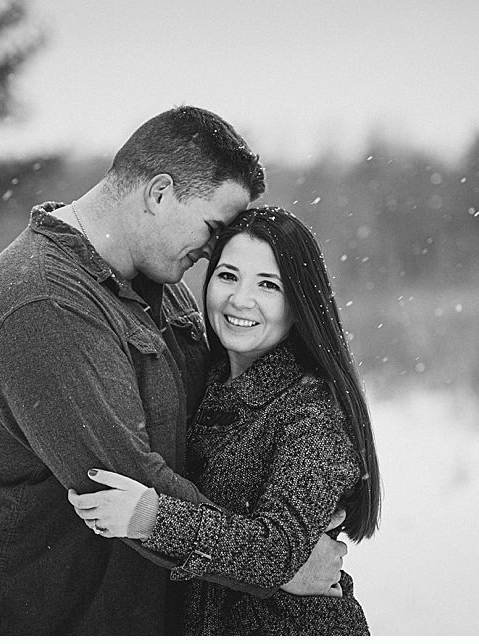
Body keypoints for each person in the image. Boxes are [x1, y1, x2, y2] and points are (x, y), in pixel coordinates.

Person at [0, 107, 347, 636]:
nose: (213, 252)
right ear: (159, 193)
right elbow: (126, 483)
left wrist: (292, 502)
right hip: (40, 619)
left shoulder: (158, 282)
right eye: (213, 228)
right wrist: (279, 560)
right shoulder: (44, 305)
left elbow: (215, 419)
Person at [69, 206, 382, 635]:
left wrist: (151, 518)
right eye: (228, 276)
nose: (240, 300)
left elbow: (277, 551)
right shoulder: (206, 381)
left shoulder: (310, 412)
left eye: (268, 285)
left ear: (300, 303)